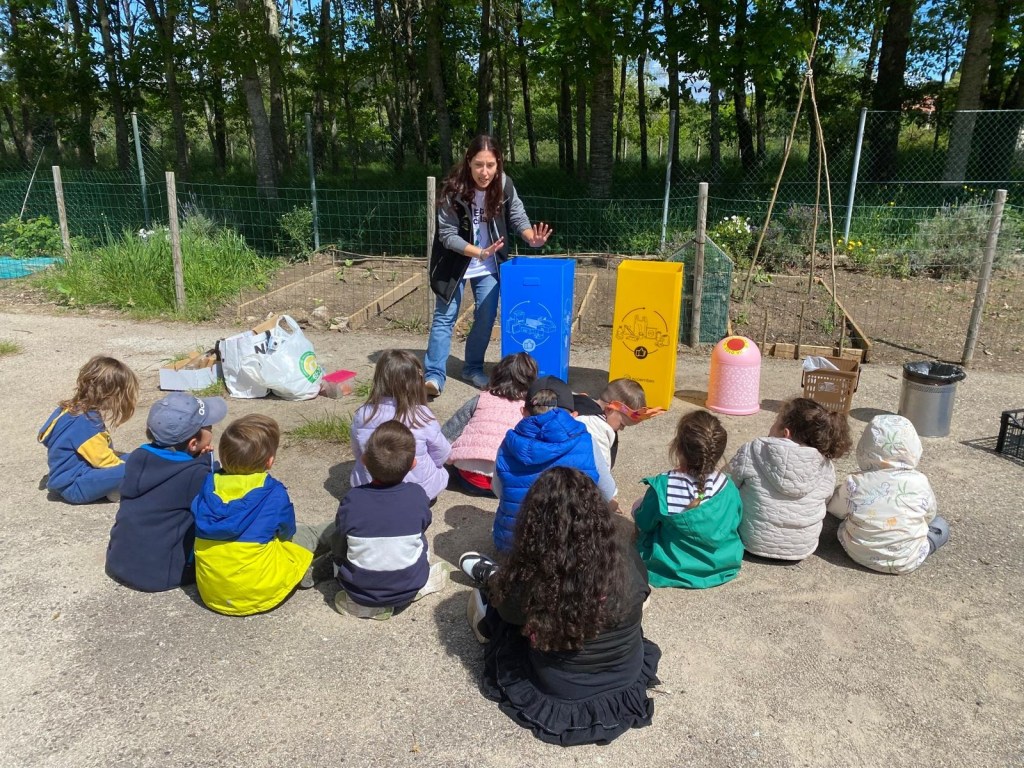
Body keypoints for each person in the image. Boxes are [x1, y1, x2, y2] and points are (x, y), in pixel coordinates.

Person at [459, 467, 661, 747]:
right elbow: (642, 588)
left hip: (563, 687)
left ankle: (489, 578)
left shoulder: (533, 576)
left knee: (505, 617)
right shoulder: (625, 553)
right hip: (625, 676)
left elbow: (509, 613)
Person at [424, 135, 552, 395]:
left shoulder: (504, 185)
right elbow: (447, 235)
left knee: (485, 317)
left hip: (489, 263)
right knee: (445, 317)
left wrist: (531, 238)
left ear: (498, 163)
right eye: (479, 165)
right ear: (468, 162)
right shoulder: (453, 190)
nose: (485, 172)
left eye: (490, 165)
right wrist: (479, 252)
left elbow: (517, 216)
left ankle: (472, 367)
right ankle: (434, 375)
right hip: (455, 263)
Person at [191, 415, 334, 616]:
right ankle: (332, 543)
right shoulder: (272, 492)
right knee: (309, 534)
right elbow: (287, 532)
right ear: (270, 461)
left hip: (213, 595)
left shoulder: (208, 489)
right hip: (261, 593)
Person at [105, 392, 227, 592]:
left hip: (117, 561)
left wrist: (197, 461)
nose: (212, 429)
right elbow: (217, 505)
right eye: (209, 428)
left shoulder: (137, 457)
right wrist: (208, 463)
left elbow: (173, 475)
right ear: (193, 444)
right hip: (161, 575)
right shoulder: (196, 475)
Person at [333, 420, 449, 620]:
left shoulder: (353, 499)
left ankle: (367, 605)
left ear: (364, 460)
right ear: (413, 464)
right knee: (419, 539)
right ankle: (417, 588)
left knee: (339, 547)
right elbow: (424, 525)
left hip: (359, 589)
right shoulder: (418, 495)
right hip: (411, 583)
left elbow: (340, 541)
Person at [492, 376, 616, 553]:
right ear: (574, 416)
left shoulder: (508, 443)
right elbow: (607, 493)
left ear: (524, 412)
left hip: (516, 548)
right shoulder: (586, 442)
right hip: (571, 550)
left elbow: (498, 490)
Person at [727, 397, 852, 561]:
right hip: (801, 548)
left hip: (751, 542)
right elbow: (826, 498)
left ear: (785, 434)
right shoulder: (826, 466)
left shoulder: (752, 451)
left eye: (775, 422)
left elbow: (725, 485)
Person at [634, 410, 744, 588]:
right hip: (722, 565)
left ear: (678, 448)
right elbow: (735, 520)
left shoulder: (663, 486)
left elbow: (644, 522)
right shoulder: (727, 486)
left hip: (672, 568)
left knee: (638, 506)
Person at [827, 414, 949, 573]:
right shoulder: (920, 482)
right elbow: (929, 515)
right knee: (941, 525)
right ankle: (920, 546)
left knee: (848, 514)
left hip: (858, 554)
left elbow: (835, 509)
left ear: (865, 448)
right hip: (907, 561)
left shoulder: (855, 482)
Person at [350, 349, 450, 501]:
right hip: (419, 492)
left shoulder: (363, 414)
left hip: (371, 487)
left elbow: (358, 450)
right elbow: (441, 452)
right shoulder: (422, 416)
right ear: (417, 382)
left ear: (378, 379)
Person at [38, 355, 139, 504]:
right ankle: (116, 488)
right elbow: (103, 460)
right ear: (109, 394)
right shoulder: (87, 422)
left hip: (80, 476)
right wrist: (132, 471)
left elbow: (47, 437)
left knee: (140, 456)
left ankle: (113, 485)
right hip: (75, 486)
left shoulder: (68, 410)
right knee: (136, 468)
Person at [442, 352, 538, 495]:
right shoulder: (528, 409)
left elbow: (450, 430)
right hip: (506, 483)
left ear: (496, 374)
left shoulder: (481, 399)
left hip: (469, 479)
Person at [573, 378, 661, 470]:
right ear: (609, 410)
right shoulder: (597, 431)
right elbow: (601, 471)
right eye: (622, 424)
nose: (622, 429)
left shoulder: (581, 404)